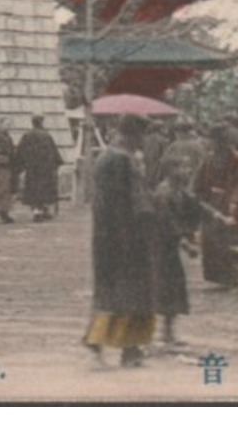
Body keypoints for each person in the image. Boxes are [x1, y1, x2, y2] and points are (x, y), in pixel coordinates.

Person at [84, 114, 156, 368]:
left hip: (106, 235)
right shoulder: (123, 161)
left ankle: (101, 337)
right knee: (132, 292)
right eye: (141, 136)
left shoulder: (105, 157)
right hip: (127, 236)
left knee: (110, 290)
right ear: (133, 135)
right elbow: (136, 204)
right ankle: (129, 348)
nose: (143, 142)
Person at [193, 124, 238, 287]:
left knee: (231, 241)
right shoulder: (208, 158)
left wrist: (234, 201)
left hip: (234, 206)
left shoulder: (237, 159)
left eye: (216, 141)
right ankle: (218, 276)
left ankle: (232, 276)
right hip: (213, 205)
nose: (213, 144)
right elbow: (198, 182)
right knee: (212, 241)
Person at [150, 164, 201, 346]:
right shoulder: (164, 193)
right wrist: (186, 243)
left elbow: (195, 209)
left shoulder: (180, 191)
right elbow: (167, 223)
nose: (188, 170)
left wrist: (193, 235)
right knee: (160, 288)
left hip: (169, 248)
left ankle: (168, 333)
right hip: (157, 247)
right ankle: (150, 334)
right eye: (183, 167)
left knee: (173, 289)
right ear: (172, 170)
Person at [15, 115, 63, 221]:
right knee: (44, 190)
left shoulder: (27, 136)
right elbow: (54, 152)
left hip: (32, 168)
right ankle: (42, 210)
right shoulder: (46, 136)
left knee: (33, 189)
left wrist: (19, 166)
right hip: (45, 169)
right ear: (41, 122)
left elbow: (21, 152)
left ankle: (37, 211)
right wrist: (56, 164)